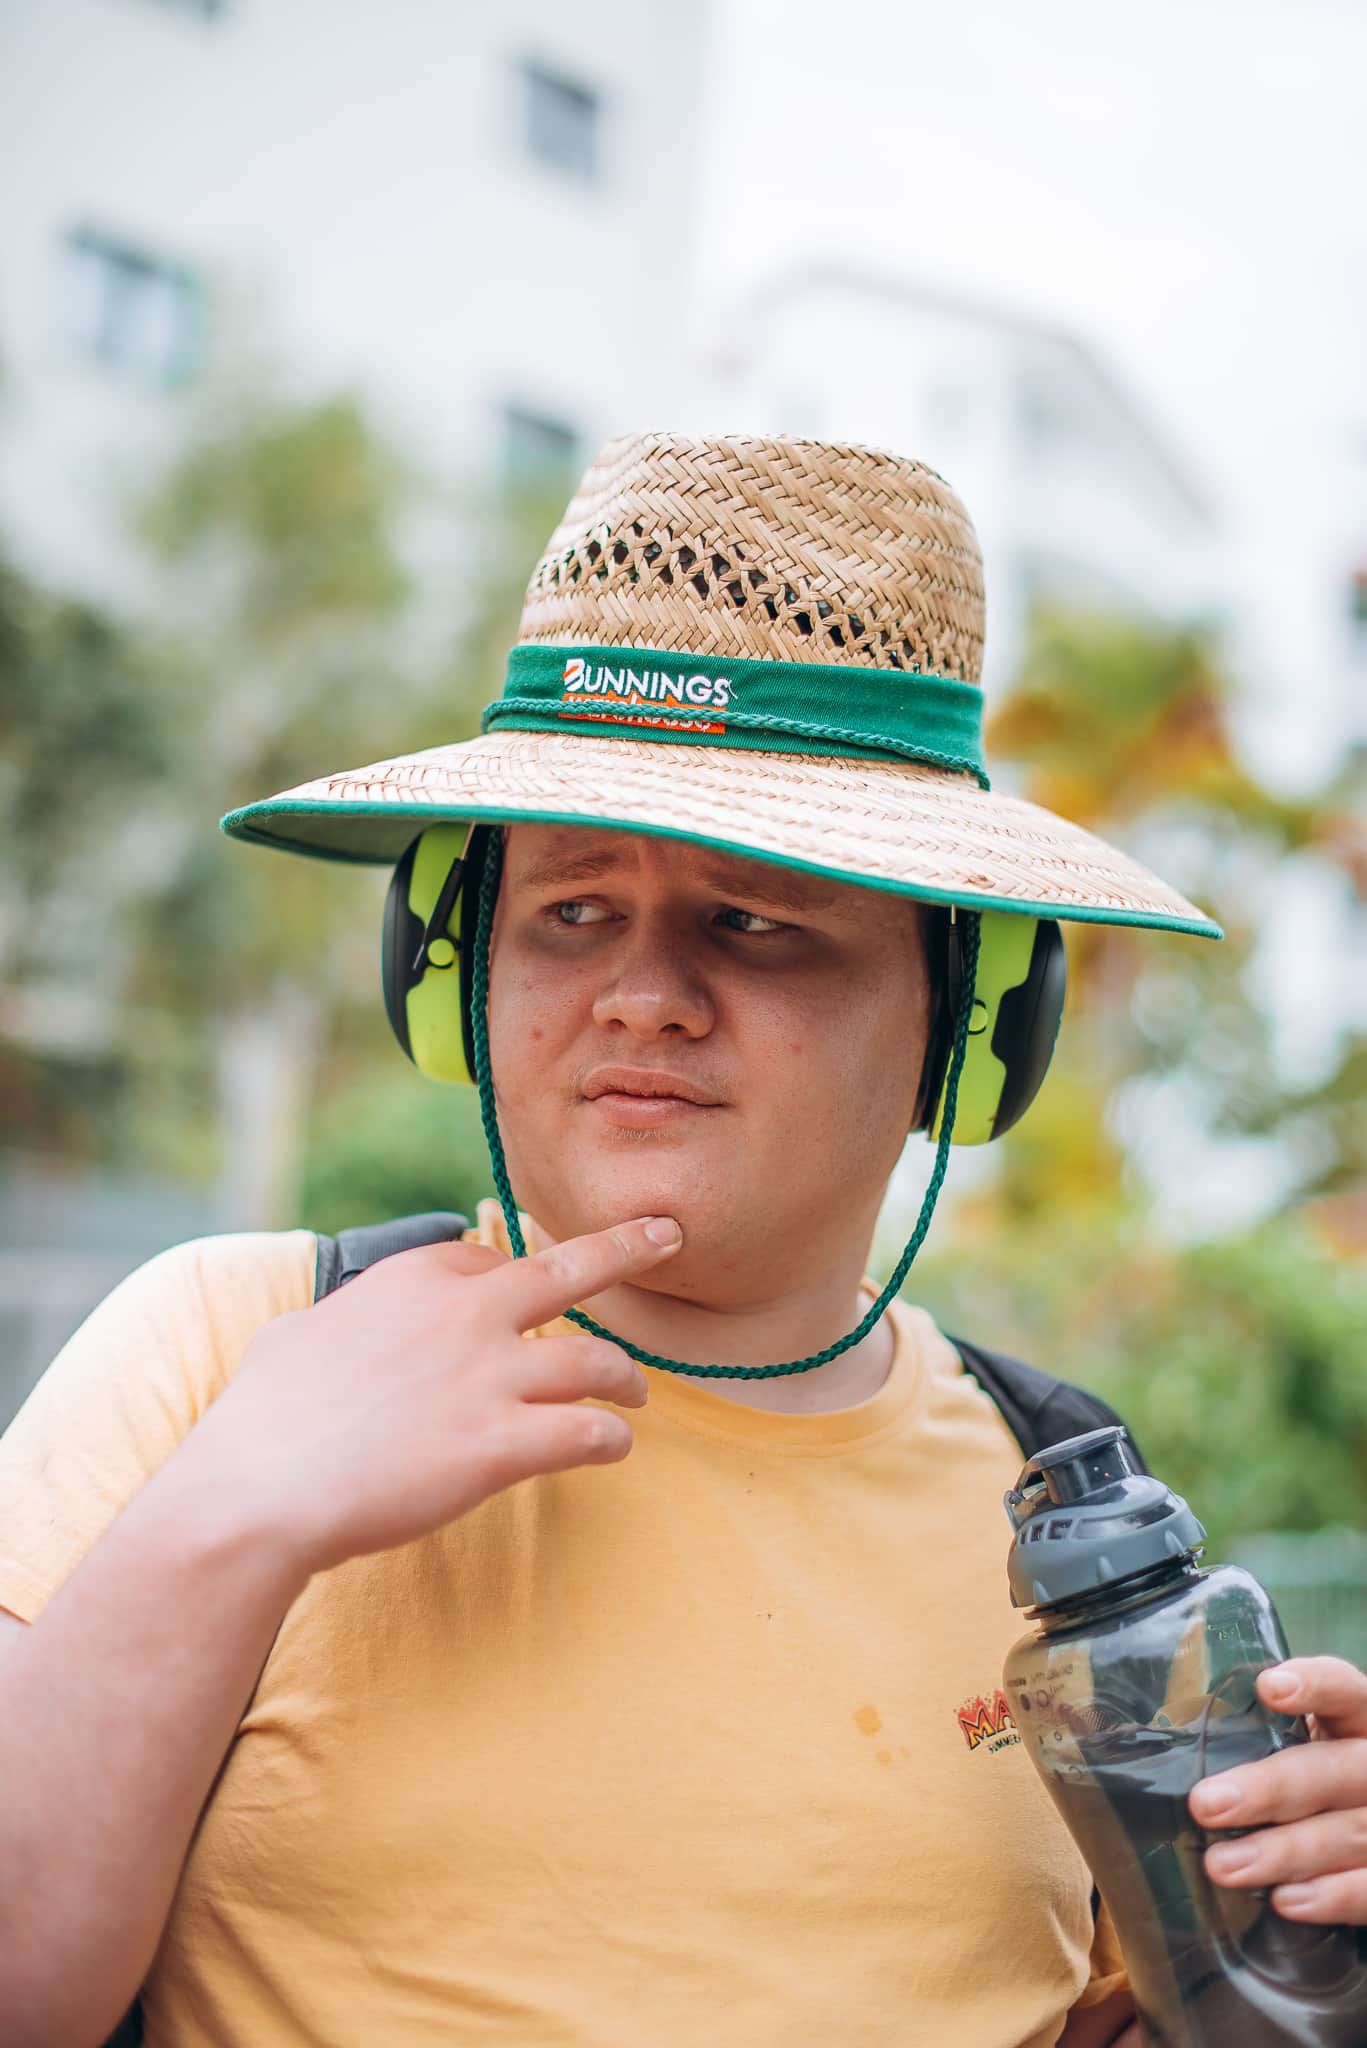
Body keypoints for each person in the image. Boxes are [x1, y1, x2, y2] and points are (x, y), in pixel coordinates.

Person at [1, 434, 1363, 2048]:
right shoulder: (229, 1348)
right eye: (571, 910)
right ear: (453, 972)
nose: (643, 990)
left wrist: (1301, 1936)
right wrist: (233, 1514)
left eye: (756, 920)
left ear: (970, 1020)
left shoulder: (1064, 1526)